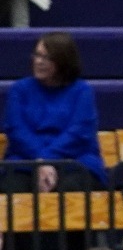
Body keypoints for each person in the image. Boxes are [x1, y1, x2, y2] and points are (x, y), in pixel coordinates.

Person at [2, 31, 107, 191]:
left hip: (74, 162)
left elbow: (79, 134)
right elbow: (16, 130)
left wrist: (47, 159)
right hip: (25, 162)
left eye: (47, 58)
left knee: (72, 189)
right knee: (12, 189)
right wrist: (40, 161)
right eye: (37, 55)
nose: (39, 62)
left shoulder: (82, 91)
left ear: (63, 61)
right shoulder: (20, 89)